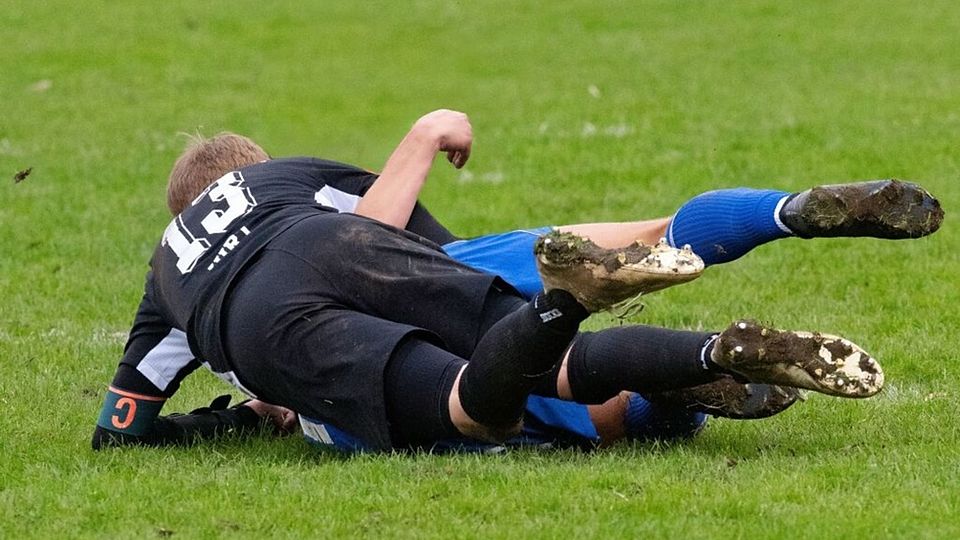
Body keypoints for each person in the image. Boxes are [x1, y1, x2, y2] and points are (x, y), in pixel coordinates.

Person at [92, 110, 938, 453]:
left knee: (503, 399)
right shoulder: (285, 182)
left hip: (307, 321)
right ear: (251, 172)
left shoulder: (170, 272)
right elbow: (397, 245)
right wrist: (423, 137)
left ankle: (694, 373)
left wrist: (238, 420)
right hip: (411, 258)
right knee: (659, 234)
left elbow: (121, 427)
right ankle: (788, 209)